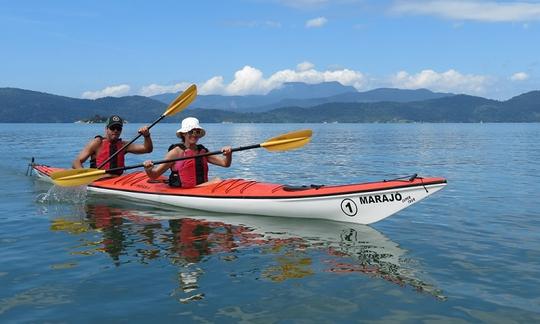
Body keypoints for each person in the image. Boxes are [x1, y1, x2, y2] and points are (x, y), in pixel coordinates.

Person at [143, 117, 232, 188]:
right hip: (183, 191)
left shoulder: (203, 151)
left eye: (197, 132)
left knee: (218, 179)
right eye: (191, 132)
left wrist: (228, 154)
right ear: (184, 134)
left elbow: (225, 163)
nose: (194, 135)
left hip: (201, 188)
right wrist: (148, 169)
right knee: (217, 180)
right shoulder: (175, 152)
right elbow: (154, 176)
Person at [72, 115, 153, 175]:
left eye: (118, 128)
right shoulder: (97, 143)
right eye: (112, 127)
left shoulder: (124, 145)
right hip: (98, 180)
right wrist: (84, 174)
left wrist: (146, 135)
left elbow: (147, 149)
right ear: (106, 129)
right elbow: (76, 162)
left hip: (117, 180)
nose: (115, 130)